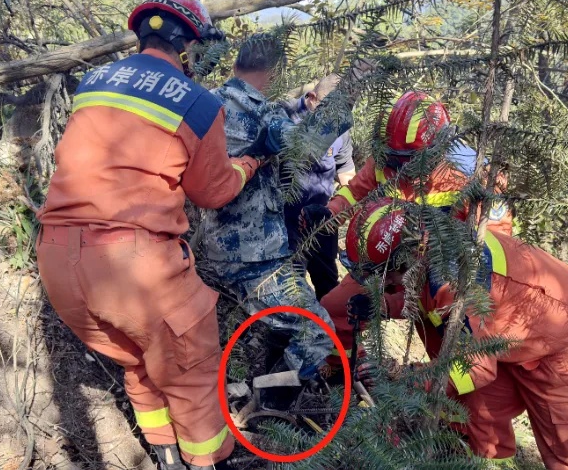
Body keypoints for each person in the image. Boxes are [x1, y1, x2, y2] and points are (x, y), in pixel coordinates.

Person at [35, 0, 259, 470]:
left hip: (57, 259)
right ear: (189, 47)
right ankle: (206, 463)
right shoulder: (199, 103)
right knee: (192, 376)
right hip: (132, 266)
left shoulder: (93, 82)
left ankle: (165, 458)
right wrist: (249, 163)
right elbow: (213, 191)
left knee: (138, 363)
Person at [331, 201, 568, 470]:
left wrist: (408, 378)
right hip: (498, 338)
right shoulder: (433, 248)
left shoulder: (453, 277)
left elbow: (473, 367)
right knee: (479, 418)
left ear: (413, 255)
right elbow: (428, 300)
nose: (385, 284)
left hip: (564, 343)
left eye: (385, 275)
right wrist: (385, 306)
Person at [198, 34, 354, 389]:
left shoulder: (206, 103)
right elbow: (307, 145)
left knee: (282, 325)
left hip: (215, 243)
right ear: (275, 73)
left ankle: (257, 388)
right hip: (253, 254)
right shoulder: (259, 112)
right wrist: (350, 94)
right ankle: (264, 404)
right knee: (318, 332)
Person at [300, 90, 513, 236]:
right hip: (386, 261)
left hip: (441, 276)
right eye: (394, 160)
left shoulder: (473, 176)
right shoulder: (386, 158)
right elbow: (355, 193)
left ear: (438, 148)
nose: (399, 170)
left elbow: (494, 240)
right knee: (333, 302)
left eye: (408, 161)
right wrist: (329, 213)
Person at [280, 75, 357, 300]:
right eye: (328, 110)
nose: (332, 118)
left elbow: (347, 174)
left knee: (328, 281)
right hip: (286, 218)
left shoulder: (340, 130)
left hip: (322, 217)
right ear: (312, 98)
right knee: (292, 285)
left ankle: (330, 329)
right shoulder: (286, 116)